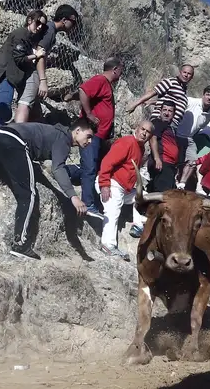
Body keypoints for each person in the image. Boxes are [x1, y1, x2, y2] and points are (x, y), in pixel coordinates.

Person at [0, 118, 94, 259]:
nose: (90, 141)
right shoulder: (63, 138)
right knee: (28, 194)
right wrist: (73, 196)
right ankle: (20, 244)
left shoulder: (55, 132)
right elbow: (58, 168)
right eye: (88, 136)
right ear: (77, 131)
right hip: (13, 141)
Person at [65, 57, 124, 215]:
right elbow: (84, 90)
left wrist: (72, 96)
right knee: (90, 167)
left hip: (101, 136)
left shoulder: (105, 84)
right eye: (121, 70)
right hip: (92, 134)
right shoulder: (100, 80)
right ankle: (88, 204)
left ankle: (66, 172)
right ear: (115, 69)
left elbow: (86, 93)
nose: (121, 74)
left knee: (94, 167)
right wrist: (89, 114)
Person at [95, 120, 153, 261]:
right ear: (137, 129)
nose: (144, 133)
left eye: (148, 132)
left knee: (144, 197)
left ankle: (138, 224)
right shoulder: (127, 142)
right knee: (113, 211)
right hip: (112, 183)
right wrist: (104, 184)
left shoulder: (141, 149)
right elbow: (107, 162)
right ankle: (108, 245)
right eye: (142, 129)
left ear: (150, 136)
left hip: (125, 189)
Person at [15, 4, 80, 123]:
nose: (74, 26)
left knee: (35, 113)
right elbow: (40, 53)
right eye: (74, 22)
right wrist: (43, 80)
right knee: (25, 104)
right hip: (32, 71)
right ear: (64, 20)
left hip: (31, 69)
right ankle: (16, 131)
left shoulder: (49, 29)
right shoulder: (50, 31)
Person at [0, 10, 47, 128]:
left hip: (4, 77)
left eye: (42, 26)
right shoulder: (21, 34)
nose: (39, 27)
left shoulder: (27, 37)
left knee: (6, 112)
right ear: (29, 20)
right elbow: (19, 58)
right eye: (38, 23)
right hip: (4, 76)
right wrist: (36, 55)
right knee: (4, 111)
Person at [176, 84, 210, 189]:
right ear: (203, 95)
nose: (209, 98)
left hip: (190, 138)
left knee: (193, 161)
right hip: (177, 134)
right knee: (176, 160)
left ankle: (182, 184)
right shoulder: (192, 101)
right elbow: (175, 103)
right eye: (207, 94)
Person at [127, 64, 194, 130]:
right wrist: (135, 104)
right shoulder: (171, 82)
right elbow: (152, 92)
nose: (186, 75)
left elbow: (169, 101)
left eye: (189, 73)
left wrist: (153, 102)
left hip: (172, 126)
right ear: (180, 72)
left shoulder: (184, 92)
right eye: (184, 72)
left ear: (191, 77)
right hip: (160, 121)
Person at [147, 100, 179, 192]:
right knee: (164, 194)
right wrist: (157, 159)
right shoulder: (158, 122)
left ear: (173, 114)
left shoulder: (171, 127)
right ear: (160, 111)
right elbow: (153, 139)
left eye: (170, 111)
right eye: (164, 110)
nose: (166, 113)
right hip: (162, 163)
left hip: (169, 165)